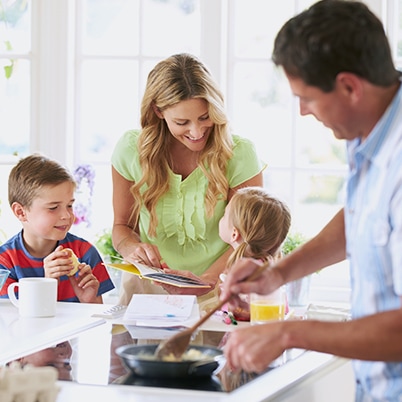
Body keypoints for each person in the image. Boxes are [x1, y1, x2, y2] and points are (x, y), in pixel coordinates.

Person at [220, 1, 402, 400]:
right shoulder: (369, 133)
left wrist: (288, 332)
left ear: (350, 86)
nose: (302, 111)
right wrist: (277, 274)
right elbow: (361, 219)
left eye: (307, 97)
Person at [111, 53, 264, 305]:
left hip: (221, 292)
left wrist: (206, 280)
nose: (197, 131)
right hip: (147, 291)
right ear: (158, 111)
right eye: (182, 122)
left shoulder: (239, 154)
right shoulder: (130, 150)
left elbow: (250, 238)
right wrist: (131, 248)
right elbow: (121, 227)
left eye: (205, 117)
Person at [0, 154, 114, 303]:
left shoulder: (85, 253)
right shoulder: (5, 262)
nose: (66, 215)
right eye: (53, 208)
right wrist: (47, 286)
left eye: (69, 205)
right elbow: (12, 322)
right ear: (21, 212)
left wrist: (89, 301)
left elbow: (98, 320)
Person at [218, 186, 291, 321]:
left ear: (234, 234)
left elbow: (236, 318)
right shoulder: (269, 272)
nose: (221, 219)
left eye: (224, 214)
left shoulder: (247, 276)